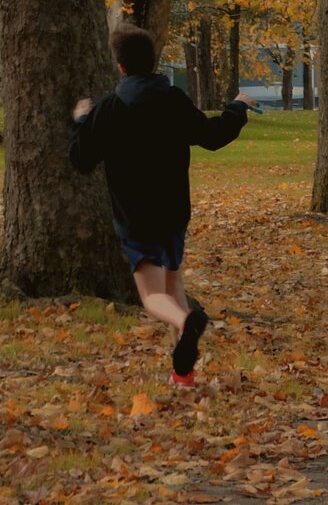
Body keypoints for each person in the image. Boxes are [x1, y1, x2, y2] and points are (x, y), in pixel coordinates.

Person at [70, 24, 255, 387]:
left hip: (135, 217)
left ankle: (186, 322)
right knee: (174, 287)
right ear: (154, 61)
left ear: (120, 66)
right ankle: (182, 374)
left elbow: (81, 159)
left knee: (153, 296)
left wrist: (81, 121)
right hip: (174, 212)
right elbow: (212, 135)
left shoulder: (109, 109)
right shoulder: (173, 100)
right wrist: (237, 107)